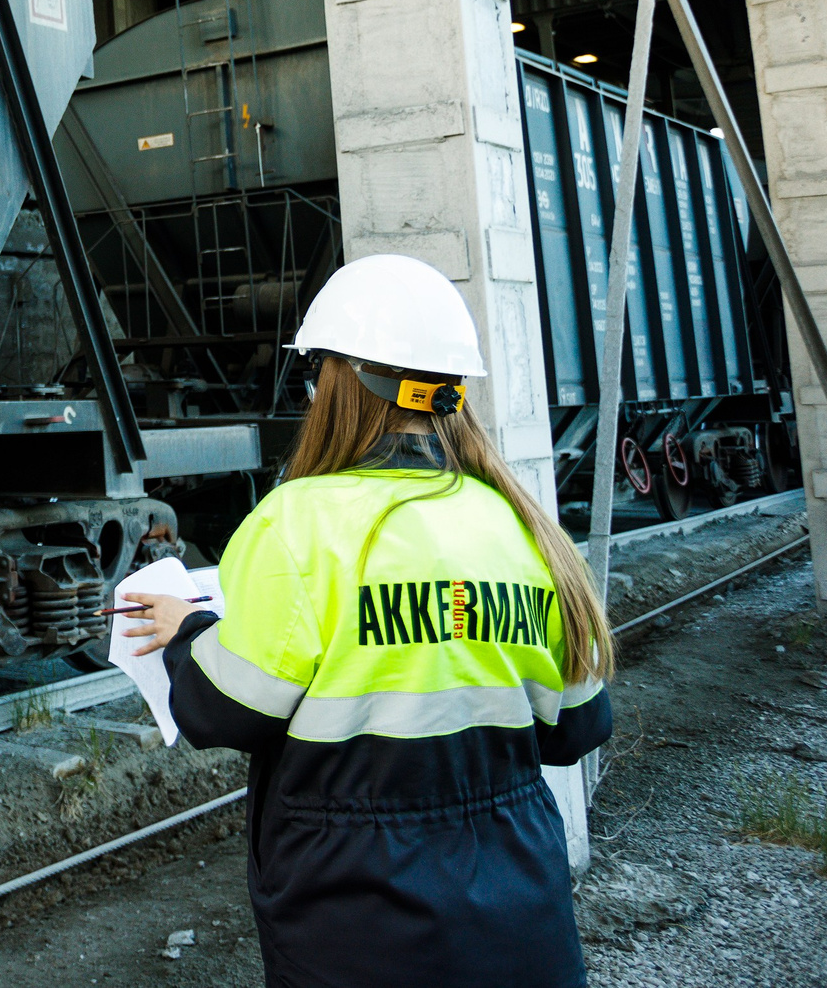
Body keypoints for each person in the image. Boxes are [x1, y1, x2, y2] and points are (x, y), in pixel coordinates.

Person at [122, 253, 613, 988]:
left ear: (340, 385)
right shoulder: (520, 526)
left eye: (317, 373)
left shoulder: (297, 521)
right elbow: (577, 727)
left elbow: (218, 709)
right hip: (521, 924)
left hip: (355, 929)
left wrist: (188, 633)